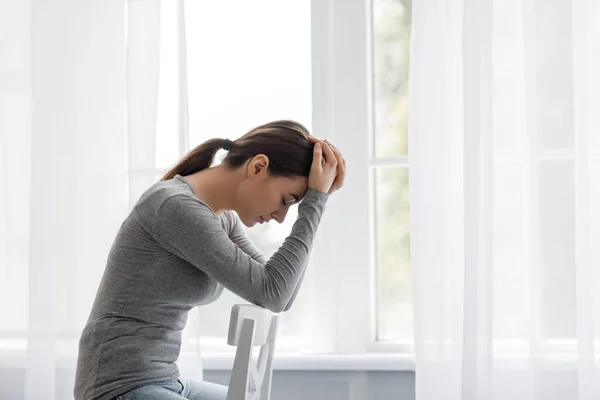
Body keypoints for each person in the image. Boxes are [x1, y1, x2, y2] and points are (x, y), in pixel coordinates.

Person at [74, 120, 346, 400]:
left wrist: (317, 199)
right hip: (118, 388)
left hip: (163, 380)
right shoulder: (175, 208)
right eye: (286, 200)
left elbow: (280, 295)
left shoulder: (222, 218)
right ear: (257, 167)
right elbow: (273, 293)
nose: (280, 217)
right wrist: (315, 201)